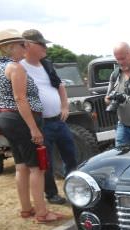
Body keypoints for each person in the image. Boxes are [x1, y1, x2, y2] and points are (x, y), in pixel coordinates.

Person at [0, 29, 63, 223]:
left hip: (7, 119)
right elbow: (20, 98)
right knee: (37, 167)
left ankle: (27, 209)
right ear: (10, 48)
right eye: (22, 45)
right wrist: (34, 128)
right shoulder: (15, 68)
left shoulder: (0, 68)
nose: (25, 48)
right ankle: (42, 213)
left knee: (21, 165)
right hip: (22, 120)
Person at [21, 29, 77, 205]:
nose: (45, 47)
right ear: (28, 45)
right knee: (46, 163)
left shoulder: (46, 65)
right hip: (41, 124)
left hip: (58, 121)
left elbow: (60, 86)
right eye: (41, 44)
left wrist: (64, 106)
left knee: (71, 155)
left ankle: (74, 188)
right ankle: (52, 194)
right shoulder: (20, 67)